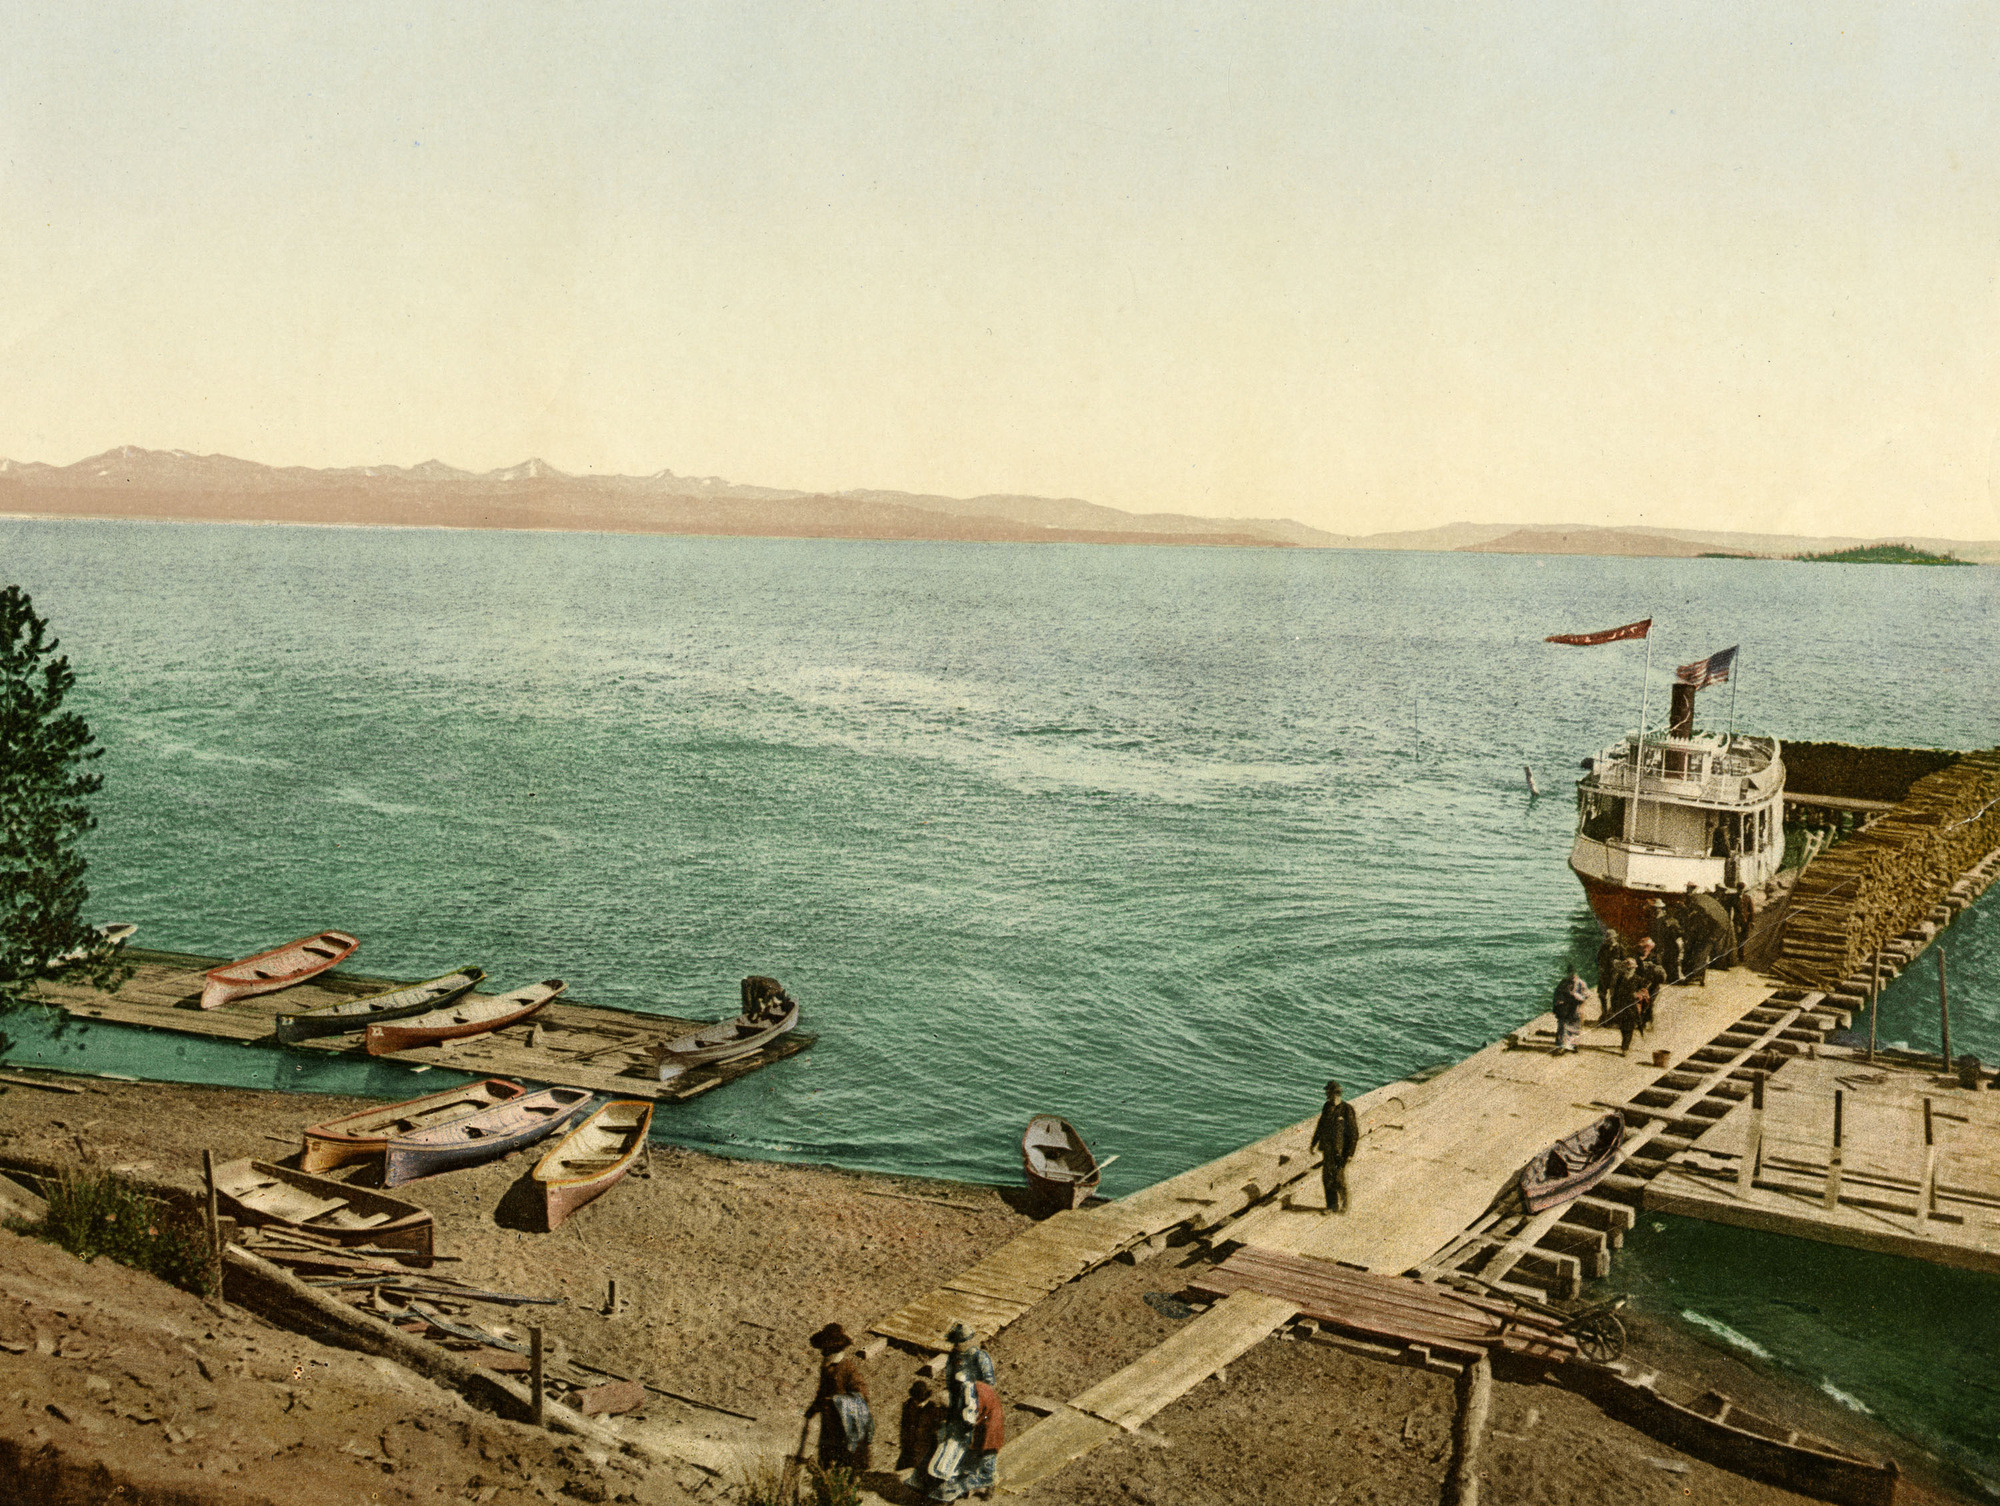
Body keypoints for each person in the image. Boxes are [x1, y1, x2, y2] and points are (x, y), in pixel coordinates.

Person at [926, 1321, 1002, 1501]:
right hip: (958, 1405)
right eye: (955, 1343)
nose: (957, 1346)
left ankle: (988, 1482)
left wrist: (970, 1389)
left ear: (969, 1341)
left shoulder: (980, 1358)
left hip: (980, 1406)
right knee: (956, 1442)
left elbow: (989, 1384)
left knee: (983, 1446)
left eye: (960, 1342)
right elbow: (949, 1382)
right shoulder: (953, 1357)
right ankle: (955, 1480)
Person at [806, 1323, 872, 1476]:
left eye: (825, 1347)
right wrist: (814, 1408)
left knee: (845, 1461)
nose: (822, 1350)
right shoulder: (827, 1366)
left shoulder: (846, 1368)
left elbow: (861, 1396)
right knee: (828, 1457)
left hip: (846, 1424)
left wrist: (835, 1402)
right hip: (830, 1422)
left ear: (833, 1348)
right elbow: (823, 1392)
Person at [1310, 1079, 1361, 1212]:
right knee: (1327, 1179)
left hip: (1341, 1152)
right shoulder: (1327, 1107)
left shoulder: (1347, 1109)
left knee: (1339, 1178)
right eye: (1328, 1093)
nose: (1328, 1095)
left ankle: (1344, 1205)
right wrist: (1313, 1143)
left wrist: (1350, 1153)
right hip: (1327, 1149)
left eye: (1330, 1093)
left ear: (1337, 1094)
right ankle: (1332, 1206)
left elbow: (1354, 1133)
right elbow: (1320, 1126)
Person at [896, 1379, 942, 1476]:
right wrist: (904, 1442)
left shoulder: (933, 1409)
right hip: (909, 1446)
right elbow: (904, 1427)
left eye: (920, 1400)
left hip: (925, 1447)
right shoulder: (907, 1406)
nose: (917, 1403)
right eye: (915, 1399)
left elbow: (936, 1430)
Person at [1606, 956, 1642, 1055]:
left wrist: (1638, 994)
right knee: (1622, 1026)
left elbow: (1644, 990)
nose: (1629, 970)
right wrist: (1613, 1005)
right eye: (1627, 968)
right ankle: (1625, 1043)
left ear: (1635, 969)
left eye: (1631, 968)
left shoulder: (1637, 979)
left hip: (1632, 1005)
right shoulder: (1620, 979)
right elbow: (1615, 992)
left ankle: (1625, 1047)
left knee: (1629, 1027)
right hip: (1621, 1005)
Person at [1633, 938, 1669, 1035]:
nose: (1645, 949)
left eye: (1647, 947)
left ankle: (1649, 1023)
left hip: (1653, 986)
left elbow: (1660, 972)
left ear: (1650, 948)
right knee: (1639, 1003)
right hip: (1640, 985)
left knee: (1650, 1004)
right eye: (1642, 947)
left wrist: (1653, 967)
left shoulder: (1654, 958)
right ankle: (1640, 1022)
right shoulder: (1636, 958)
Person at [1593, 929, 1628, 1022]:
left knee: (1614, 995)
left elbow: (1625, 962)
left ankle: (1613, 1014)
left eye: (1611, 938)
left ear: (1615, 938)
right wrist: (1600, 966)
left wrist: (1618, 964)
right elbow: (1598, 959)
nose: (1610, 940)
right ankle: (1604, 1013)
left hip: (1615, 975)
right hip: (1604, 974)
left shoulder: (1620, 948)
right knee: (1602, 994)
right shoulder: (1603, 947)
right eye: (1608, 939)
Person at [1647, 899, 1685, 983]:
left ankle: (1672, 978)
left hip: (1667, 943)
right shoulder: (1655, 919)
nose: (1656, 910)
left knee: (1668, 961)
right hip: (1659, 943)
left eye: (1658, 908)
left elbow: (1674, 932)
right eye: (1655, 908)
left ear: (1661, 909)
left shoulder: (1666, 920)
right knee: (1661, 960)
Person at [1551, 968, 1588, 1054]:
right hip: (1565, 1008)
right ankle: (1562, 1046)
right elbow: (1557, 994)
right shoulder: (1563, 983)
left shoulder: (1581, 983)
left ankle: (1573, 1045)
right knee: (1563, 1027)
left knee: (1575, 1027)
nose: (1572, 976)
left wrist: (1577, 996)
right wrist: (1559, 1002)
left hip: (1576, 1008)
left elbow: (1586, 995)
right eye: (1570, 974)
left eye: (1573, 975)